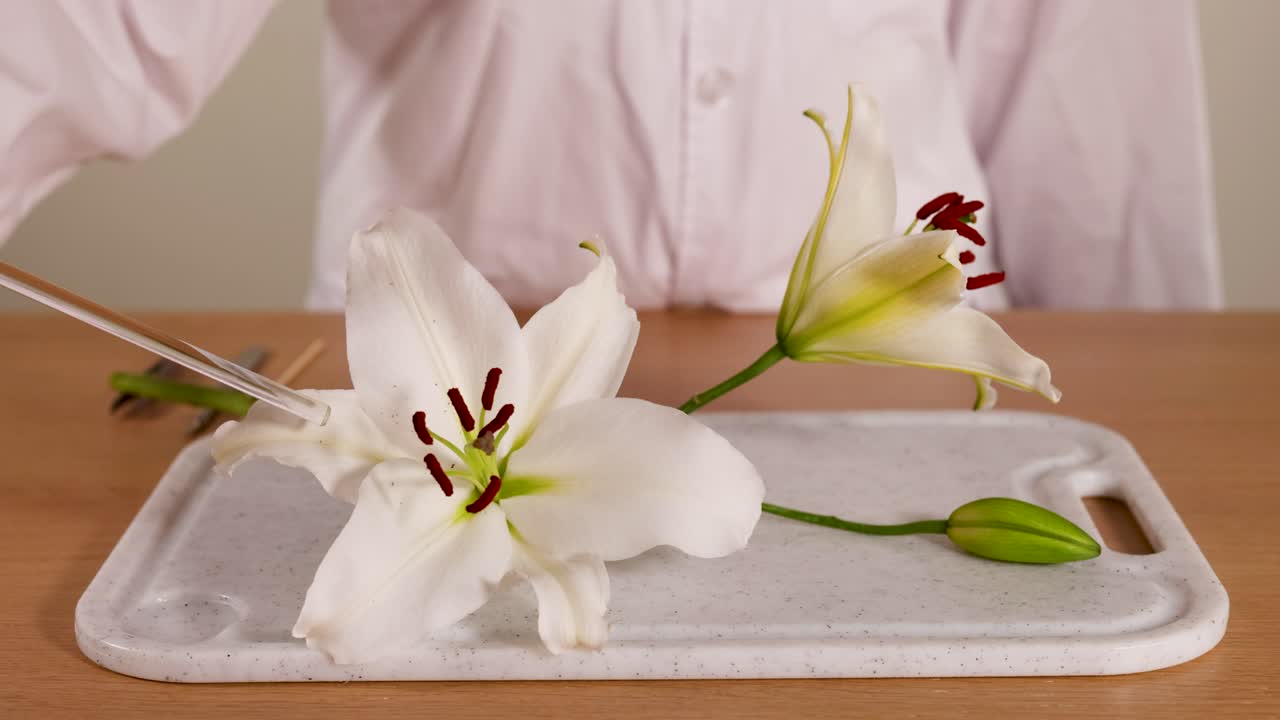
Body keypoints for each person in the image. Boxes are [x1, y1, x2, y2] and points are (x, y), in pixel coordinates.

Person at [0, 0, 1221, 311]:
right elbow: (79, 33)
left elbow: (1079, 85)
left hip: (896, 370)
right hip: (449, 392)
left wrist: (1130, 440)